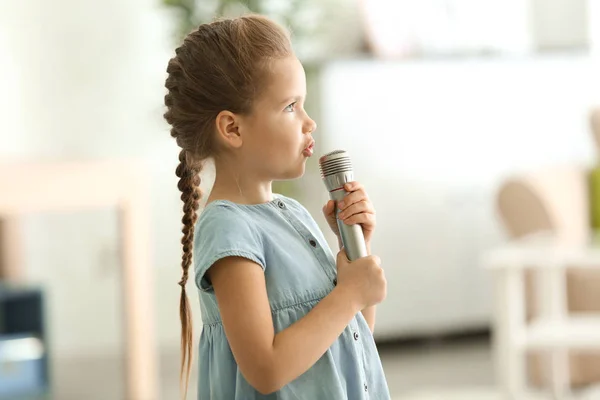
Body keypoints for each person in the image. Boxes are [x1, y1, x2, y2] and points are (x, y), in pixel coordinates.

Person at [163, 14, 390, 399]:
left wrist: (353, 259)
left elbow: (349, 341)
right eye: (290, 106)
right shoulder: (228, 229)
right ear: (232, 128)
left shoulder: (295, 214)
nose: (309, 122)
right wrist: (349, 294)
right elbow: (266, 370)